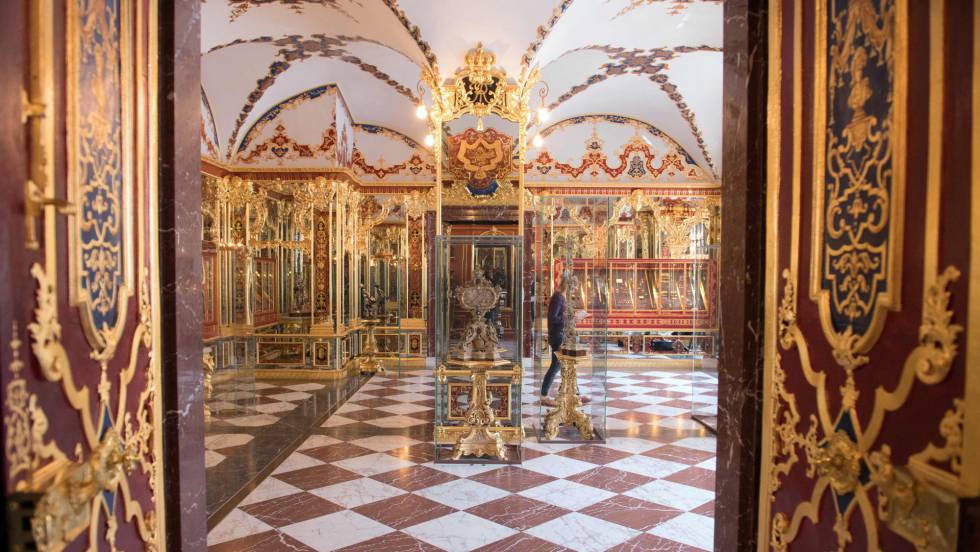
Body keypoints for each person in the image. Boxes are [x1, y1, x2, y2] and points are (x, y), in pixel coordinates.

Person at [541, 274, 568, 406]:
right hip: (557, 336)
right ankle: (544, 395)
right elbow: (553, 319)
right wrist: (569, 319)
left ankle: (574, 394)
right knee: (556, 366)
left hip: (561, 334)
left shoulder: (562, 297)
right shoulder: (558, 297)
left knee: (566, 365)